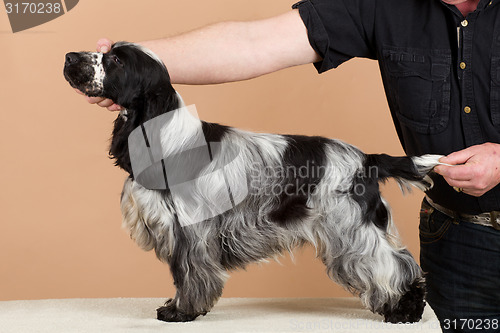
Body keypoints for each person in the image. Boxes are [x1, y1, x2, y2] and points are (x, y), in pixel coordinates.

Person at [78, 0, 500, 331]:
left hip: (353, 178)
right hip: (457, 240)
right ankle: (402, 289)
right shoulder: (383, 4)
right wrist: (133, 63)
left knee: (350, 240)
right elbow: (251, 44)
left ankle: (398, 282)